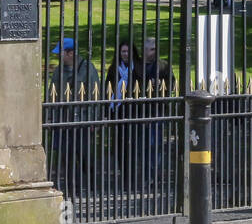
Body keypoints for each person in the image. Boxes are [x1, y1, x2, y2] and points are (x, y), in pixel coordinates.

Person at [48, 37, 98, 195]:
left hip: (82, 120)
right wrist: (51, 117)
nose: (58, 56)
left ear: (71, 53)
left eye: (60, 53)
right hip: (63, 121)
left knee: (84, 156)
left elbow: (95, 95)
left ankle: (91, 184)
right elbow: (52, 95)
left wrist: (93, 119)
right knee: (66, 156)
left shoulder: (88, 68)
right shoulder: (58, 71)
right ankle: (70, 187)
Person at [104, 41, 143, 190]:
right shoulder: (114, 69)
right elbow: (108, 92)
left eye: (127, 51)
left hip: (134, 113)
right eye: (123, 52)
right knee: (120, 147)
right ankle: (124, 178)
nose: (125, 54)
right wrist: (107, 113)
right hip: (118, 113)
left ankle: (133, 178)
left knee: (133, 147)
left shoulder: (138, 68)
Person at [139, 37, 174, 187]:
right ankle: (145, 174)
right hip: (140, 111)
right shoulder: (138, 65)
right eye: (148, 49)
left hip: (157, 111)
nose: (150, 52)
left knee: (155, 145)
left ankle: (154, 175)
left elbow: (171, 85)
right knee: (142, 146)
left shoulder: (163, 66)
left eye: (153, 49)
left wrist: (161, 87)